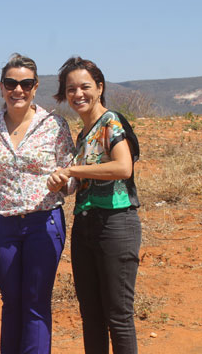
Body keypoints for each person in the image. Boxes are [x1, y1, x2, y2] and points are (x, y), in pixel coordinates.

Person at [0, 53, 75, 353]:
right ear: (1, 87)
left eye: (25, 83)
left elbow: (72, 174)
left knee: (36, 302)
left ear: (36, 87)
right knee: (11, 301)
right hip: (4, 226)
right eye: (11, 83)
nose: (18, 90)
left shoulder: (54, 125)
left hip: (45, 222)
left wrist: (64, 181)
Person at [48, 57, 141, 354]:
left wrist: (73, 170)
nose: (78, 94)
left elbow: (123, 167)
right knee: (91, 315)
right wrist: (63, 182)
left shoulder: (110, 121)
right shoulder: (83, 134)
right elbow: (82, 183)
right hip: (86, 224)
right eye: (71, 88)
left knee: (118, 314)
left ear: (99, 88)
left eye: (85, 87)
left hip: (116, 222)